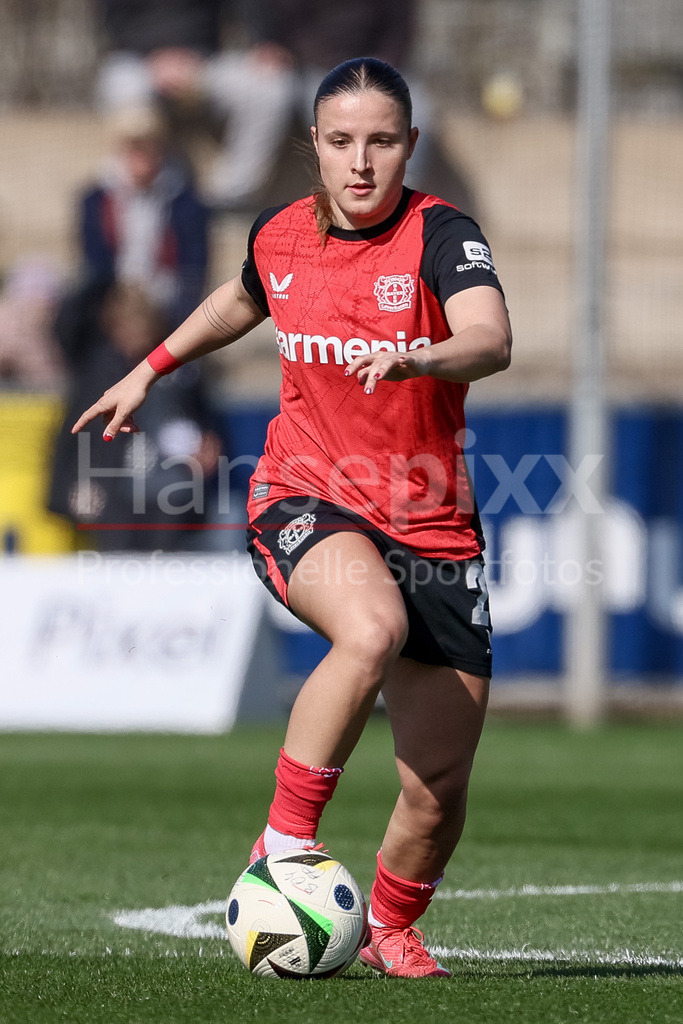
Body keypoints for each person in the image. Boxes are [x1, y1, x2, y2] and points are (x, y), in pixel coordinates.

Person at [72, 58, 512, 977]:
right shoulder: (280, 235)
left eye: (381, 141)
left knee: (435, 790)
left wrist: (425, 358)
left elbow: (490, 336)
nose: (361, 163)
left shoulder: (441, 234)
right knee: (369, 630)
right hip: (303, 495)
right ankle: (278, 845)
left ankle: (389, 923)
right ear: (313, 145)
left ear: (409, 147)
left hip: (430, 523)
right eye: (341, 141)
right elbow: (241, 298)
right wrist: (148, 369)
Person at [93, 0, 293, 211]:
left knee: (270, 89)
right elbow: (111, 20)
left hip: (204, 61)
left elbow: (247, 7)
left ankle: (229, 199)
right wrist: (156, 56)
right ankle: (147, 188)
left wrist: (263, 41)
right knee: (123, 87)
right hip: (139, 61)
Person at [80, 105, 209, 331]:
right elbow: (95, 258)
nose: (141, 156)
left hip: (166, 295)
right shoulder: (96, 199)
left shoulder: (184, 201)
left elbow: (193, 263)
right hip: (114, 291)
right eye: (133, 147)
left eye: (148, 147)